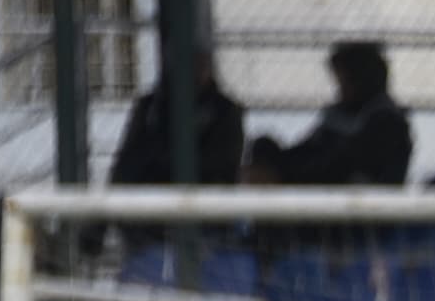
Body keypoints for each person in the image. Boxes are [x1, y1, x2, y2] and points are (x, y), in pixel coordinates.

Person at [267, 42, 412, 188]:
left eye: (344, 81)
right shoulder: (338, 117)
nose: (340, 89)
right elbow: (310, 148)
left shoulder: (387, 122)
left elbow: (343, 164)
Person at [106, 62, 245, 193]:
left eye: (201, 62)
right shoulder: (150, 108)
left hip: (207, 199)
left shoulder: (225, 110)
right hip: (152, 197)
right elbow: (125, 170)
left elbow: (223, 169)